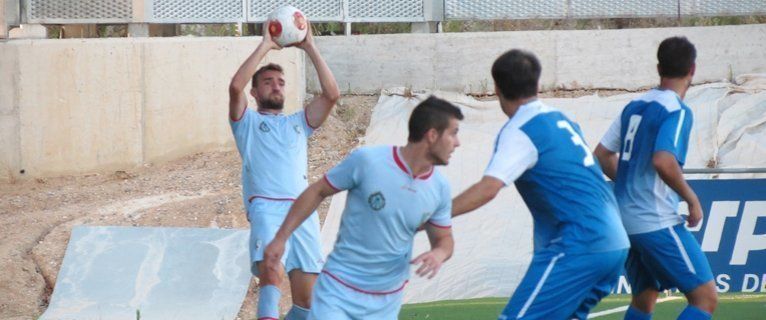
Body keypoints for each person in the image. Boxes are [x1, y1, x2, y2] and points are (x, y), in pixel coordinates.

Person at [451, 49, 630, 320]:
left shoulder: (520, 131)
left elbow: (488, 188)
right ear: (537, 84)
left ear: (496, 88)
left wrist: (434, 215)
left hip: (579, 246)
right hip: (615, 244)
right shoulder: (561, 120)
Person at [263, 96, 462, 320]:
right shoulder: (368, 161)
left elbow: (445, 240)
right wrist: (281, 238)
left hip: (385, 303)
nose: (457, 143)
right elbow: (318, 191)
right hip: (338, 291)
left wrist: (439, 253)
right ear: (432, 135)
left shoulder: (440, 188)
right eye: (453, 133)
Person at [594, 36, 717, 320]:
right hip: (654, 219)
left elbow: (601, 155)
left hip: (623, 220)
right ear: (693, 70)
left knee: (645, 296)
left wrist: (627, 183)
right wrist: (692, 199)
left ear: (659, 67)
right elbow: (663, 160)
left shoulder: (634, 106)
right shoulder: (676, 110)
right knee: (705, 298)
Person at [228, 21, 339, 320]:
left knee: (308, 305)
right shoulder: (246, 123)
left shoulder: (298, 123)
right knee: (271, 268)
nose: (276, 85)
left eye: (280, 81)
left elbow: (331, 94)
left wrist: (310, 47)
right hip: (266, 207)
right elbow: (235, 86)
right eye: (267, 81)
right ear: (255, 92)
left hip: (302, 211)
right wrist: (266, 44)